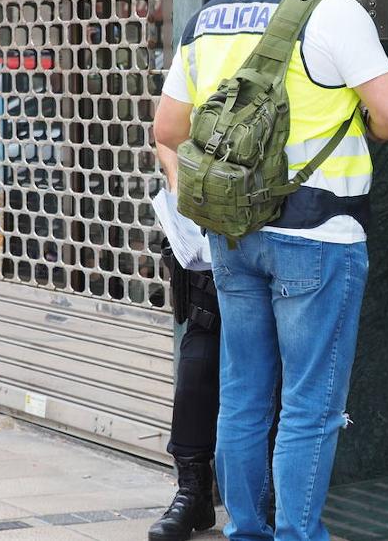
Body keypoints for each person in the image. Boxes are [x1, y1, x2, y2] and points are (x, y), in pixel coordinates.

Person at [155, 0, 388, 541]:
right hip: (317, 239)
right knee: (309, 405)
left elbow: (167, 129)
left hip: (234, 239)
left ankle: (247, 530)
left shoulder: (208, 17)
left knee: (243, 396)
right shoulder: (332, 12)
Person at [147, 144, 221, 541]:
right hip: (206, 248)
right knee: (196, 368)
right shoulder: (199, 77)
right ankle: (192, 492)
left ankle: (273, 500)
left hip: (274, 232)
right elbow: (165, 132)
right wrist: (181, 191)